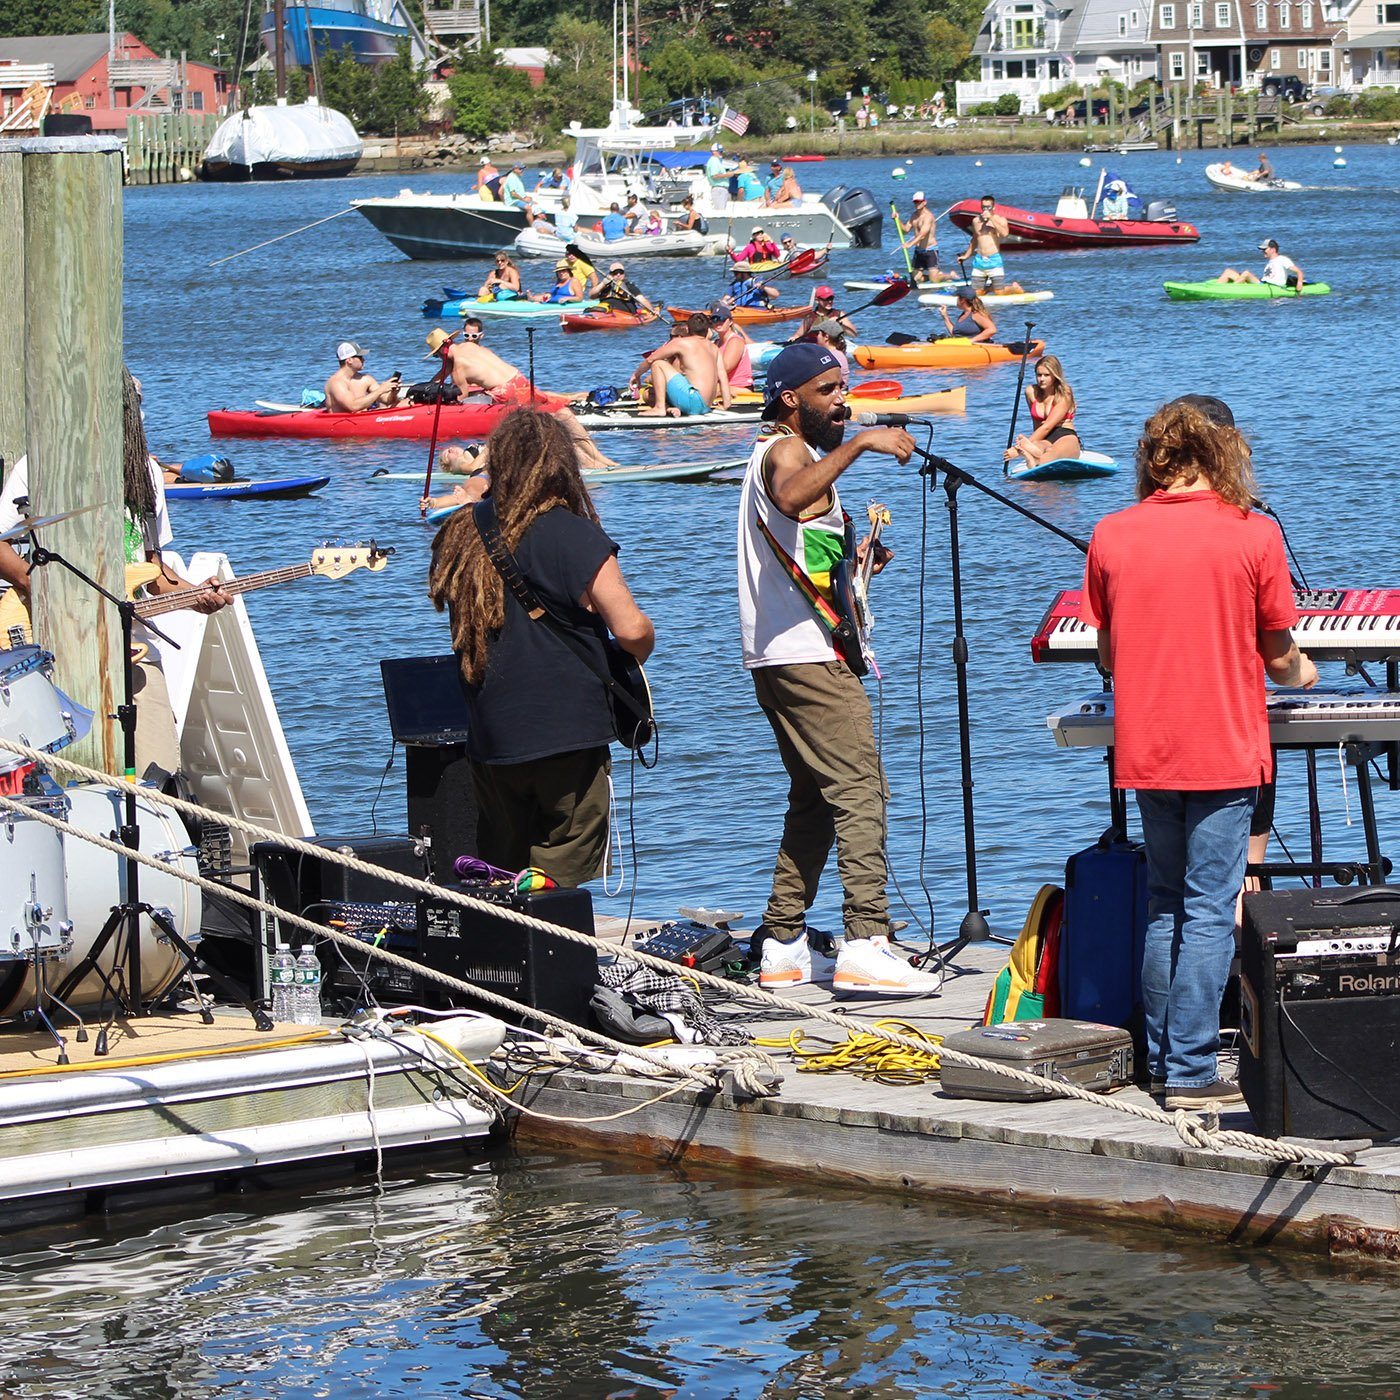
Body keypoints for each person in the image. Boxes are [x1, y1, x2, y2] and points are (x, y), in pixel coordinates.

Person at [1080, 394, 1317, 1108]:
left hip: (1148, 747)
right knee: (1212, 911)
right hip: (1220, 747)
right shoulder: (1252, 534)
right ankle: (1188, 1073)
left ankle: (1161, 1063)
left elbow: (1109, 654)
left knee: (1164, 904)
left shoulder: (1112, 533)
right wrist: (1306, 673)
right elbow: (1281, 660)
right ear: (1225, 451)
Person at [737, 343, 943, 996]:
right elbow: (793, 494)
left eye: (843, 388)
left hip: (779, 651)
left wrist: (858, 563)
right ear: (790, 398)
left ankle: (784, 943)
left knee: (814, 800)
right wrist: (864, 447)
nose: (842, 402)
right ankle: (866, 941)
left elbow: (797, 544)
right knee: (861, 791)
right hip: (807, 656)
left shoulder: (780, 452)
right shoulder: (785, 452)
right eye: (827, 390)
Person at [427, 409, 654, 886]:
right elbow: (631, 629)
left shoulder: (461, 532)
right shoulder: (570, 532)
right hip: (567, 732)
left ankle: (500, 960)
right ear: (560, 466)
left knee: (501, 871)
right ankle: (557, 953)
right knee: (558, 872)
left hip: (492, 735)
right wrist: (637, 652)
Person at [425, 324, 620, 468]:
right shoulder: (469, 346)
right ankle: (603, 460)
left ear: (442, 352)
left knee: (549, 427)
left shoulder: (457, 368)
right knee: (561, 413)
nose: (438, 359)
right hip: (518, 378)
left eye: (437, 356)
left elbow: (462, 395)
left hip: (508, 391)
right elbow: (449, 368)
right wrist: (430, 383)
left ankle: (593, 466)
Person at [628, 313, 731, 418]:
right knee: (648, 394)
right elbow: (723, 376)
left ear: (688, 329)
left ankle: (660, 408)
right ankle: (669, 408)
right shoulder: (714, 348)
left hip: (693, 401)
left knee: (657, 364)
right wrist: (726, 404)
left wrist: (636, 375)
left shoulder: (681, 343)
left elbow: (650, 359)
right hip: (706, 406)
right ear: (708, 330)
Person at [1006, 355, 1080, 467]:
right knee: (1038, 447)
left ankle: (1032, 457)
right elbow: (1036, 424)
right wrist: (1033, 443)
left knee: (1049, 455)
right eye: (1039, 375)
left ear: (1055, 375)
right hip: (1046, 437)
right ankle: (1031, 454)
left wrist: (1017, 449)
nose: (1041, 379)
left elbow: (1047, 426)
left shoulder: (1064, 393)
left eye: (1046, 375)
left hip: (1065, 435)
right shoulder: (1031, 392)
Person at [962, 194, 1026, 294]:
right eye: (983, 207)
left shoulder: (1000, 219)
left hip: (994, 260)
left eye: (988, 207)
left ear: (994, 207)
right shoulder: (976, 221)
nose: (985, 209)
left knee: (999, 293)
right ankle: (989, 288)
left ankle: (1014, 288)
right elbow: (974, 239)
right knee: (977, 294)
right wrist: (966, 255)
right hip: (979, 260)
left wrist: (991, 218)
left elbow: (1005, 233)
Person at [323, 341, 407, 412]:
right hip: (343, 424)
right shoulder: (336, 383)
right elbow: (353, 407)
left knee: (405, 402)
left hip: (362, 420)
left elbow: (387, 400)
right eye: (360, 357)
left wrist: (393, 392)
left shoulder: (365, 379)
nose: (363, 360)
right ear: (349, 360)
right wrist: (381, 389)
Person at [1218, 238, 1305, 292]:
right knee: (1228, 271)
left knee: (1246, 273)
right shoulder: (1271, 261)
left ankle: (1229, 290)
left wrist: (1299, 283)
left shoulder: (1282, 259)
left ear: (1273, 249)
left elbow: (1299, 272)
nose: (1263, 251)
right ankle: (1216, 288)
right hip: (1263, 284)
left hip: (1273, 286)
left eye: (1265, 249)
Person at [711, 304, 753, 390]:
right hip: (724, 386)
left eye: (722, 319)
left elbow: (726, 368)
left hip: (740, 387)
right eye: (714, 319)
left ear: (730, 322)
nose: (718, 322)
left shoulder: (735, 341)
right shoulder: (716, 343)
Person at [804, 319, 850, 385]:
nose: (816, 337)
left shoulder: (830, 357)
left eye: (818, 334)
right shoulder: (838, 354)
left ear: (826, 337)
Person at [906, 192, 938, 282]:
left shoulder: (928, 216)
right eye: (915, 202)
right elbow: (905, 230)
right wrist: (897, 219)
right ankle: (930, 278)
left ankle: (949, 276)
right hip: (919, 250)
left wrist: (910, 244)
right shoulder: (914, 215)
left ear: (924, 202)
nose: (917, 204)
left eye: (919, 201)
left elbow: (922, 235)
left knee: (934, 280)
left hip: (930, 250)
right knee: (916, 279)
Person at [705, 143, 731, 209]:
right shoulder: (714, 161)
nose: (721, 154)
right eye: (720, 152)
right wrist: (727, 175)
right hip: (719, 189)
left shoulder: (716, 161)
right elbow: (714, 176)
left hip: (721, 189)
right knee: (720, 211)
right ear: (715, 152)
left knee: (721, 209)